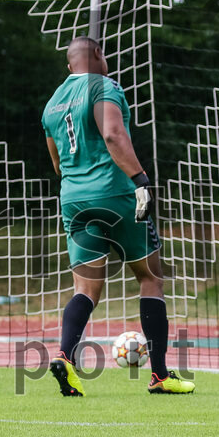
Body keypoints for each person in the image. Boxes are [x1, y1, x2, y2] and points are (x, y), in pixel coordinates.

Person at [41, 36, 194, 396]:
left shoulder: (51, 103)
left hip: (74, 200)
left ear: (69, 67)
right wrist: (140, 179)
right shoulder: (105, 86)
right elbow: (112, 133)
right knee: (150, 277)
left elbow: (57, 162)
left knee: (86, 290)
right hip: (114, 194)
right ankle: (160, 376)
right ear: (98, 54)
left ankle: (64, 356)